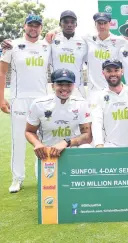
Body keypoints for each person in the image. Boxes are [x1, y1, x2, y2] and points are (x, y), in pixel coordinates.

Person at [0, 14, 51, 193]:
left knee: (43, 139)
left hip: (42, 100)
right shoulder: (11, 45)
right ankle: (17, 178)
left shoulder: (47, 46)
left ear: (41, 28)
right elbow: (2, 72)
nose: (33, 28)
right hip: (19, 99)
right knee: (18, 139)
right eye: (31, 25)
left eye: (37, 26)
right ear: (24, 26)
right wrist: (1, 98)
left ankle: (43, 176)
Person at [25, 69, 92, 163]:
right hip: (47, 153)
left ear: (73, 86)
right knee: (50, 177)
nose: (64, 88)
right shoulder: (39, 104)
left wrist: (66, 142)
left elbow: (87, 136)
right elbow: (29, 131)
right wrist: (37, 144)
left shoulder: (81, 104)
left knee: (87, 147)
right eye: (60, 84)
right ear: (53, 86)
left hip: (71, 151)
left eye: (68, 84)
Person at [91, 60, 128, 148]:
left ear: (122, 71)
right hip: (111, 147)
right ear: (103, 73)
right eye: (109, 71)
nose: (113, 74)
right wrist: (98, 143)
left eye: (116, 70)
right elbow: (97, 122)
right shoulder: (99, 96)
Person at [85, 12, 127, 94]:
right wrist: (55, 31)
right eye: (99, 23)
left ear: (110, 24)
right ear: (95, 24)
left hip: (111, 88)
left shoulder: (120, 41)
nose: (102, 26)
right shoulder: (88, 38)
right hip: (93, 89)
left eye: (105, 23)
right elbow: (72, 36)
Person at [50, 10, 88, 98]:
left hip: (77, 89)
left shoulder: (83, 42)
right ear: (60, 24)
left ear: (76, 24)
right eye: (66, 22)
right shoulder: (52, 40)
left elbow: (89, 62)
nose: (69, 24)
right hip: (58, 88)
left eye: (72, 22)